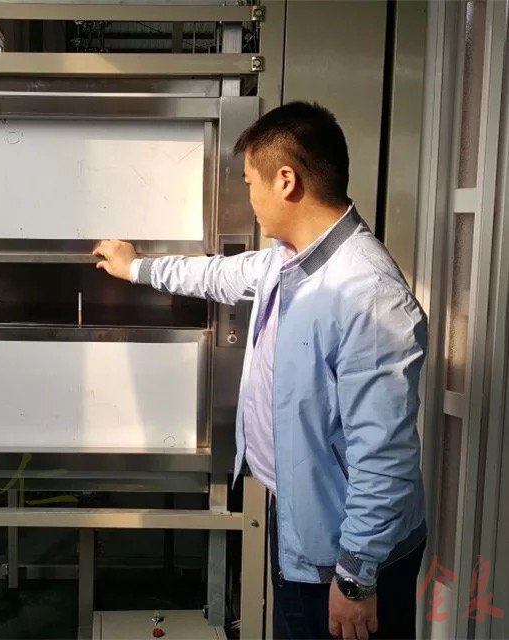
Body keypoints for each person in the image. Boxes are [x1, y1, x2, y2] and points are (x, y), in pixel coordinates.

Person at [93, 101, 428, 640]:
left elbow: (385, 459)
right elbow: (220, 276)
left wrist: (356, 578)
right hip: (306, 522)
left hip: (348, 556)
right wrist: (137, 267)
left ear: (286, 181)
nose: (249, 197)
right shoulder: (289, 259)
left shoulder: (367, 296)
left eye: (250, 181)